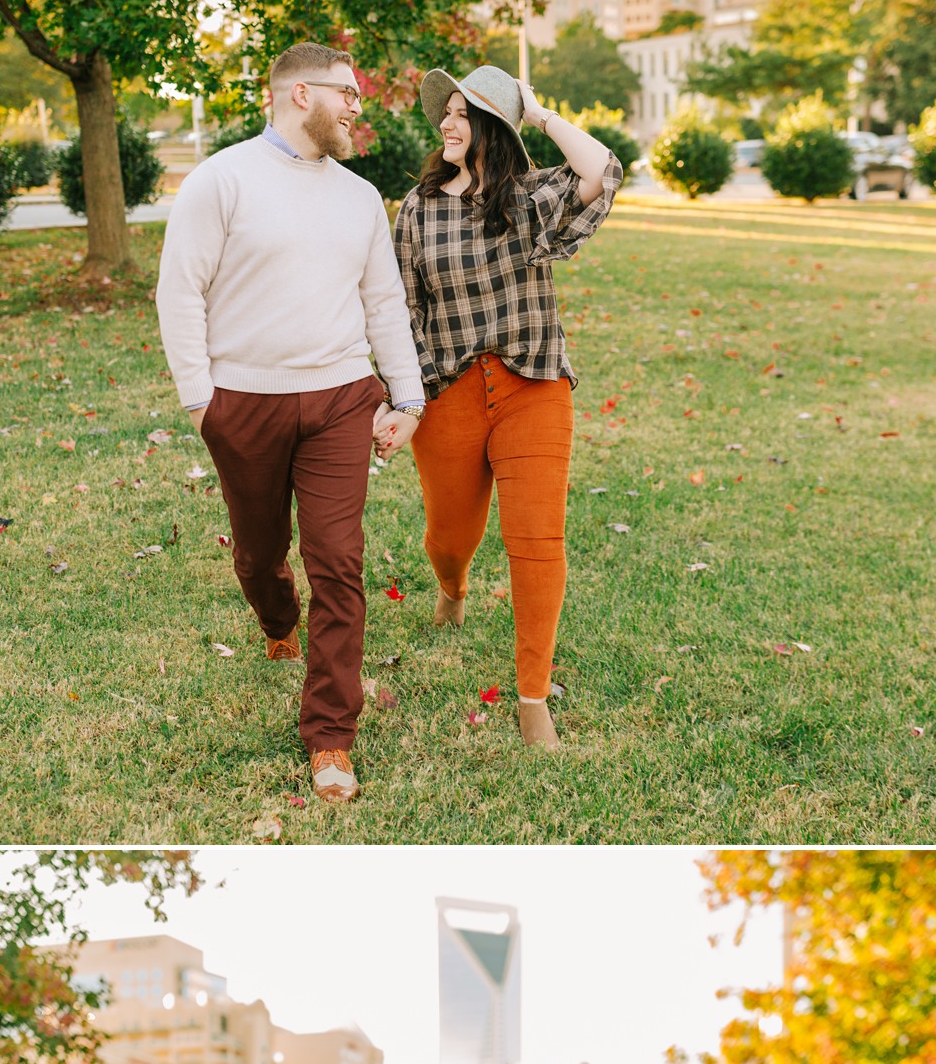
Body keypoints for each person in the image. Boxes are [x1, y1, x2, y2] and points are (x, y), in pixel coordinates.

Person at [156, 42, 426, 806]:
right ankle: (277, 619)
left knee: (338, 561)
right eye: (347, 93)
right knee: (259, 553)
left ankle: (331, 735)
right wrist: (201, 402)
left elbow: (383, 304)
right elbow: (180, 293)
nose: (357, 108)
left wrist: (405, 399)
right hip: (243, 402)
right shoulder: (222, 181)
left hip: (342, 398)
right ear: (299, 94)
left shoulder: (359, 197)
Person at [390, 66, 623, 752]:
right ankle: (452, 587)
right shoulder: (416, 208)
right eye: (446, 114)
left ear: (492, 125)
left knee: (537, 541)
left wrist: (541, 112)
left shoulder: (528, 197)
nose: (448, 124)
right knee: (450, 533)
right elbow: (404, 311)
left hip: (533, 385)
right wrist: (404, 396)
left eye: (464, 114)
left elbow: (601, 170)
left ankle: (532, 700)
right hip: (450, 391)